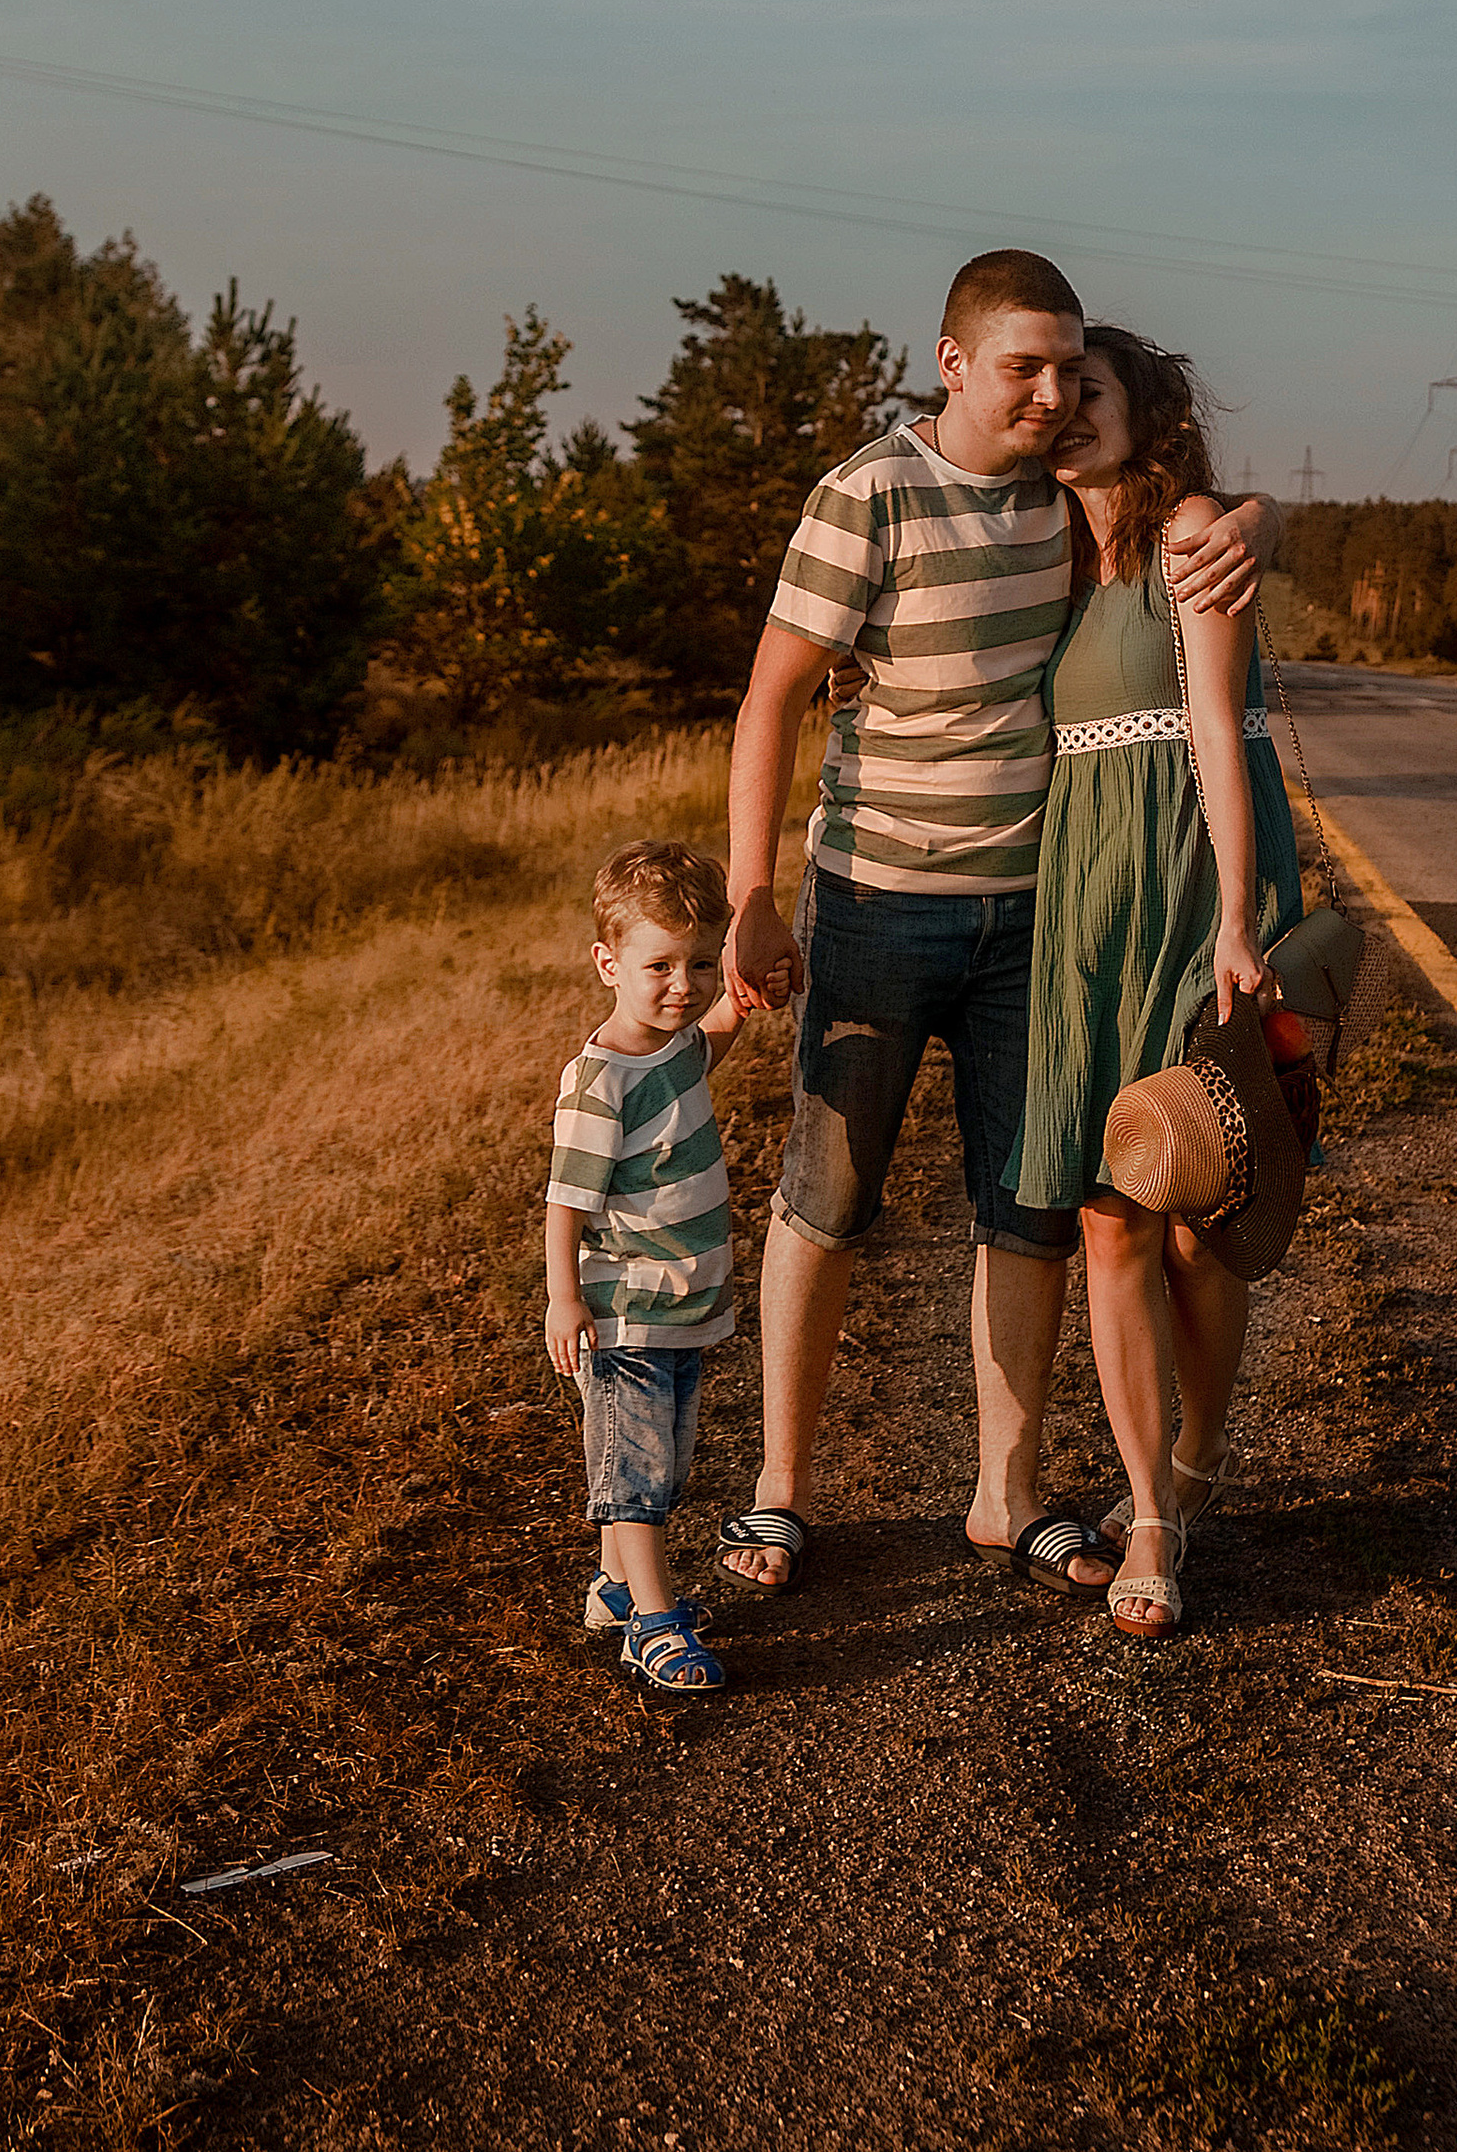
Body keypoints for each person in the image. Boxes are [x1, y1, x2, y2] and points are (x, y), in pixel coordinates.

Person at [717, 249, 1280, 1598]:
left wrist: (1258, 519)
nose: (1048, 394)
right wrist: (746, 894)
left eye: (1068, 370)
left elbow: (1176, 495)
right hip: (872, 898)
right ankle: (780, 1493)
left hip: (1031, 909)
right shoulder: (869, 494)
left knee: (1028, 1207)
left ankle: (1007, 1496)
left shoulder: (1057, 489)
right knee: (829, 1194)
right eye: (1024, 367)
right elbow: (769, 698)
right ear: (951, 361)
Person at [1010, 326, 1305, 1642]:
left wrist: (1239, 916)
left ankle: (1189, 1472)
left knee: (1196, 1218)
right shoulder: (1035, 550)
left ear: (1149, 409)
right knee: (1109, 1220)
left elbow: (1215, 737)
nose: (1068, 412)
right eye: (1055, 394)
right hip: (1084, 914)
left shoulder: (1191, 532)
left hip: (1191, 894)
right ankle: (1149, 1511)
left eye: (1095, 391)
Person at [542, 840, 745, 1696]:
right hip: (626, 1309)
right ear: (607, 963)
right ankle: (653, 1627)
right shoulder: (600, 1084)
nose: (682, 985)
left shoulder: (674, 1047)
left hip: (684, 1301)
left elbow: (711, 1044)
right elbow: (565, 1205)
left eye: (700, 962)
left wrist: (747, 989)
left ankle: (617, 1590)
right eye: (658, 964)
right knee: (638, 1474)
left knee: (657, 1453)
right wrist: (563, 1301)